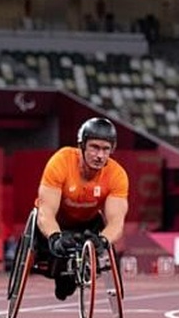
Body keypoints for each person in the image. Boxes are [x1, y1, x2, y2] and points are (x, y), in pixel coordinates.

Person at [34, 117, 129, 300]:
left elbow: (116, 222)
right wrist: (55, 236)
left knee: (102, 238)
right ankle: (62, 276)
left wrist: (103, 240)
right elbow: (46, 212)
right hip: (57, 221)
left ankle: (74, 275)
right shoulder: (61, 161)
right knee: (61, 277)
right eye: (94, 147)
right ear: (82, 146)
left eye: (106, 149)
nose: (100, 155)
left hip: (88, 223)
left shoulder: (117, 175)